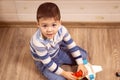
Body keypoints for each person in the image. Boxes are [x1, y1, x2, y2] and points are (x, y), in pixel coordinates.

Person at [30, 2, 88, 80]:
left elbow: (72, 46)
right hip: (44, 62)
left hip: (58, 52)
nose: (49, 30)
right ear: (38, 24)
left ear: (60, 23)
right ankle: (46, 70)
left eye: (54, 25)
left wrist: (80, 64)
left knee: (83, 55)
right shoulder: (37, 42)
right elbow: (48, 63)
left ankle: (62, 46)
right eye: (44, 26)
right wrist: (64, 73)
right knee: (60, 79)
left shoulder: (62, 29)